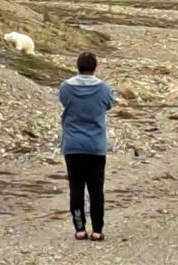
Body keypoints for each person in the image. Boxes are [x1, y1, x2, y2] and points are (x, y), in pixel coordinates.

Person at [60, 52, 114, 242]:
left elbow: (63, 101)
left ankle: (80, 229)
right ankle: (97, 230)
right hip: (95, 145)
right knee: (96, 189)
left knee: (76, 187)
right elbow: (109, 105)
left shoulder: (66, 87)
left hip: (73, 144)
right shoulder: (104, 88)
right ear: (95, 66)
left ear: (78, 66)